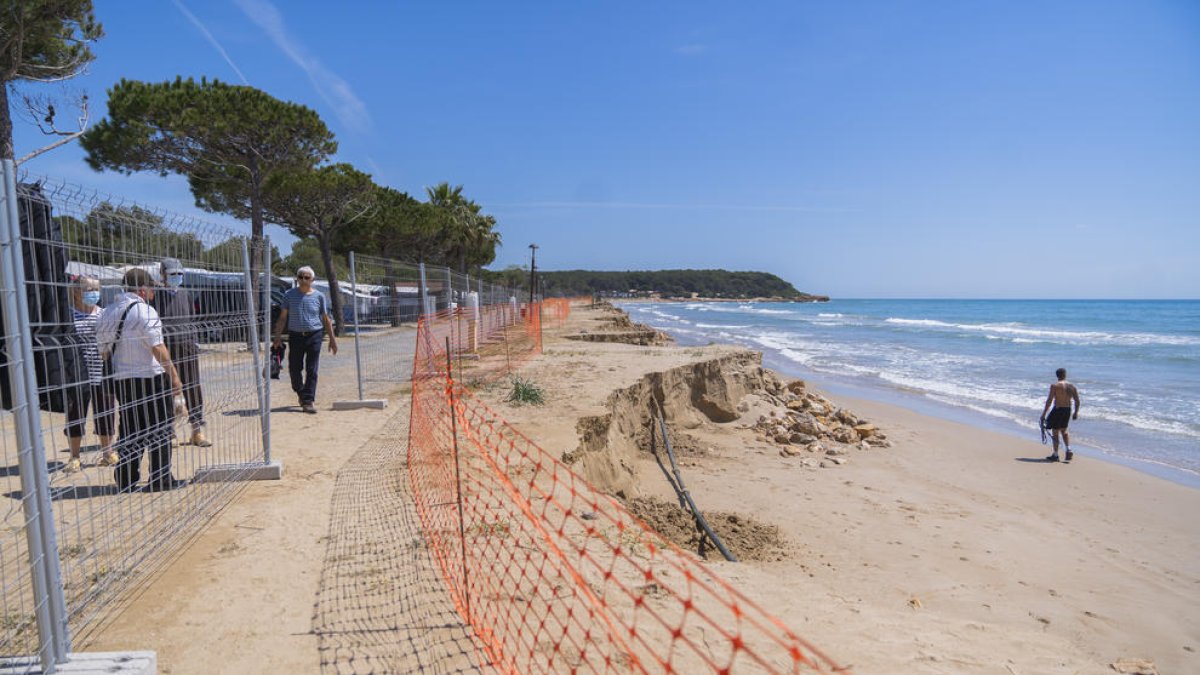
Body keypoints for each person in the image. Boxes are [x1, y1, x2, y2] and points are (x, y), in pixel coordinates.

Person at [97, 268, 186, 492]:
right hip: (150, 378)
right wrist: (175, 379)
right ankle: (160, 479)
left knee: (130, 429)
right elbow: (158, 348)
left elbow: (104, 352)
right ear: (142, 290)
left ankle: (126, 479)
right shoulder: (145, 312)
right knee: (160, 429)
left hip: (122, 380)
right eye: (152, 287)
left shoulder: (107, 312)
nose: (154, 291)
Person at [63, 275, 118, 472]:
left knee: (106, 412)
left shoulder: (104, 314)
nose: (94, 293)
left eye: (96, 289)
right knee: (76, 415)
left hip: (102, 372)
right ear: (76, 292)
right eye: (89, 289)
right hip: (77, 374)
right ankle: (74, 457)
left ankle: (107, 452)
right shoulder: (68, 316)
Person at [153, 257, 210, 447]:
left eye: (179, 274)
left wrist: (194, 342)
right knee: (166, 388)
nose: (176, 277)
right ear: (162, 275)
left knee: (193, 386)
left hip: (187, 346)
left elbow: (192, 319)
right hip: (166, 347)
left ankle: (196, 430)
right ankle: (169, 431)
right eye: (172, 274)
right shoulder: (156, 295)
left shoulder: (185, 294)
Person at [271, 266, 337, 414]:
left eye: (306, 277)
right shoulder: (289, 295)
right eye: (300, 277)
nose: (303, 280)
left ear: (312, 280)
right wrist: (277, 337)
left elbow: (326, 319)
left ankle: (308, 401)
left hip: (315, 334)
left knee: (312, 369)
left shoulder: (319, 296)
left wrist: (332, 340)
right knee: (294, 368)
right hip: (295, 336)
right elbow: (282, 318)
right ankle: (300, 392)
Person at [1040, 367, 1081, 462]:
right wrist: (1075, 412)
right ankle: (1068, 449)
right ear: (1065, 375)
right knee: (1064, 430)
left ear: (1057, 375)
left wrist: (1043, 414)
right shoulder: (1072, 386)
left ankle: (1055, 454)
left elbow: (1049, 401)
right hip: (1068, 410)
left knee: (1055, 431)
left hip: (1058, 409)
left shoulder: (1055, 386)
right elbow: (1077, 401)